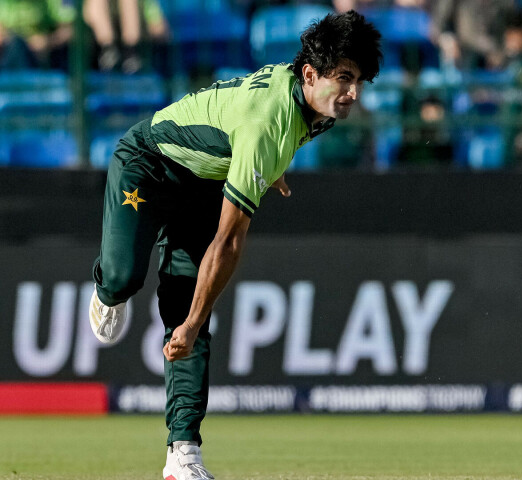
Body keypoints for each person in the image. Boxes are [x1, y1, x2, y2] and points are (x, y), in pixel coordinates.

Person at [88, 10, 382, 480]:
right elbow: (227, 242)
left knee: (188, 315)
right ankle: (107, 289)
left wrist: (271, 164)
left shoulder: (316, 103)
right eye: (344, 78)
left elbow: (273, 132)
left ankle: (182, 453)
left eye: (360, 80)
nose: (353, 93)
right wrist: (264, 156)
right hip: (149, 165)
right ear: (309, 73)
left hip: (208, 181)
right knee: (128, 279)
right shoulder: (269, 122)